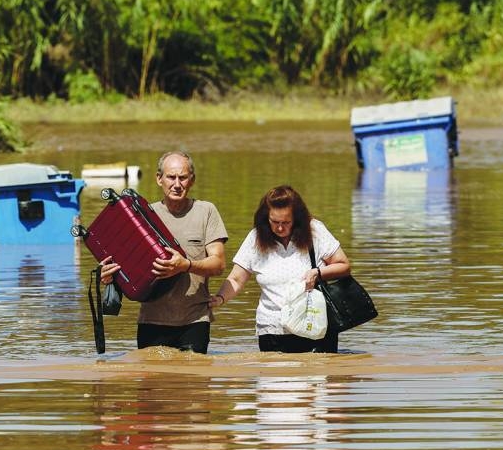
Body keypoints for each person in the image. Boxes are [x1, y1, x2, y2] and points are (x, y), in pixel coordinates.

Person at [100, 151, 227, 353]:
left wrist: (187, 265)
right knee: (152, 383)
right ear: (159, 179)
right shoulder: (141, 217)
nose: (177, 184)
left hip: (195, 321)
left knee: (195, 383)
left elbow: (219, 264)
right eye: (171, 177)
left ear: (192, 180)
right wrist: (110, 278)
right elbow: (125, 269)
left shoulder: (206, 211)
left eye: (183, 177)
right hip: (151, 321)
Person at [209, 185, 350, 353]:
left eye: (286, 222)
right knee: (273, 377)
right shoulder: (255, 238)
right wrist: (219, 298)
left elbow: (344, 265)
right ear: (265, 218)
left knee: (315, 376)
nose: (280, 228)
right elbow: (236, 279)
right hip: (272, 328)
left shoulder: (315, 231)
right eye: (275, 222)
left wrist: (318, 273)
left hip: (313, 325)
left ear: (297, 219)